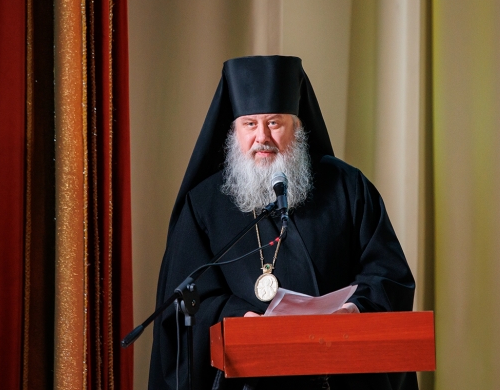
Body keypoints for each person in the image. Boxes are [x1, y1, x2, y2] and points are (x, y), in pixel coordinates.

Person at [149, 56, 418, 390]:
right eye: (250, 124)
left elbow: (388, 276)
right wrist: (237, 318)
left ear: (297, 127)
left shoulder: (348, 188)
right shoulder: (204, 204)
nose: (262, 137)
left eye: (274, 123)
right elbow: (188, 300)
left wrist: (354, 309)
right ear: (234, 131)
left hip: (340, 375)